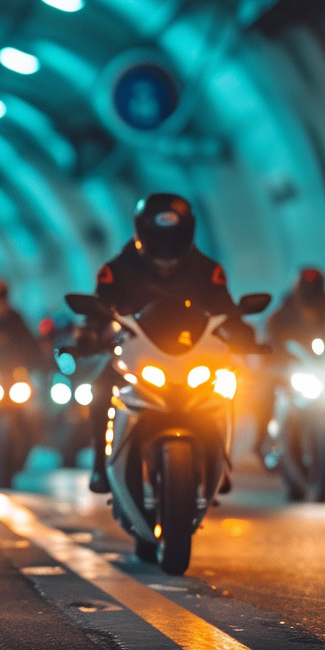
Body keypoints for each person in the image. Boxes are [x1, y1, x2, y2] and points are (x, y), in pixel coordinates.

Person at [73, 193, 259, 493]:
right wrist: (90, 333)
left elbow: (226, 311)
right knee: (101, 389)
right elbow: (100, 308)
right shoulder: (118, 269)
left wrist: (244, 336)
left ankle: (218, 461)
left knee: (225, 391)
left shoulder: (208, 271)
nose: (166, 242)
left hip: (194, 355)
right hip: (138, 354)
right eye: (160, 232)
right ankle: (100, 464)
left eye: (174, 232)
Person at [253, 267, 325, 456]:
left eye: (315, 286)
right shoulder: (283, 312)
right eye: (307, 285)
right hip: (292, 369)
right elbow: (272, 338)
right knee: (266, 392)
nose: (310, 291)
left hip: (324, 369)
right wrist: (275, 357)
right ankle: (262, 437)